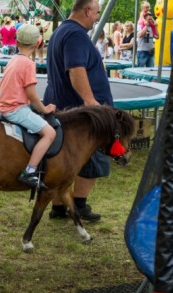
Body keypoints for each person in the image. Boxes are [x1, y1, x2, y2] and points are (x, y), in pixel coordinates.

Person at [43, 0, 113, 222]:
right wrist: (91, 102)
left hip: (61, 106)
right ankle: (79, 205)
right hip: (80, 114)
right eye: (96, 13)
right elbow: (76, 70)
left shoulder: (60, 31)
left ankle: (60, 208)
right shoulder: (76, 35)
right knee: (90, 158)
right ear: (87, 11)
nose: (97, 18)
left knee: (59, 161)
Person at [0, 24, 56, 189]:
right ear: (38, 43)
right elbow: (31, 95)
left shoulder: (14, 59)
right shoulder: (28, 64)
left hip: (4, 106)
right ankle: (29, 171)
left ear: (17, 42)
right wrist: (45, 109)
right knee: (49, 133)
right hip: (16, 109)